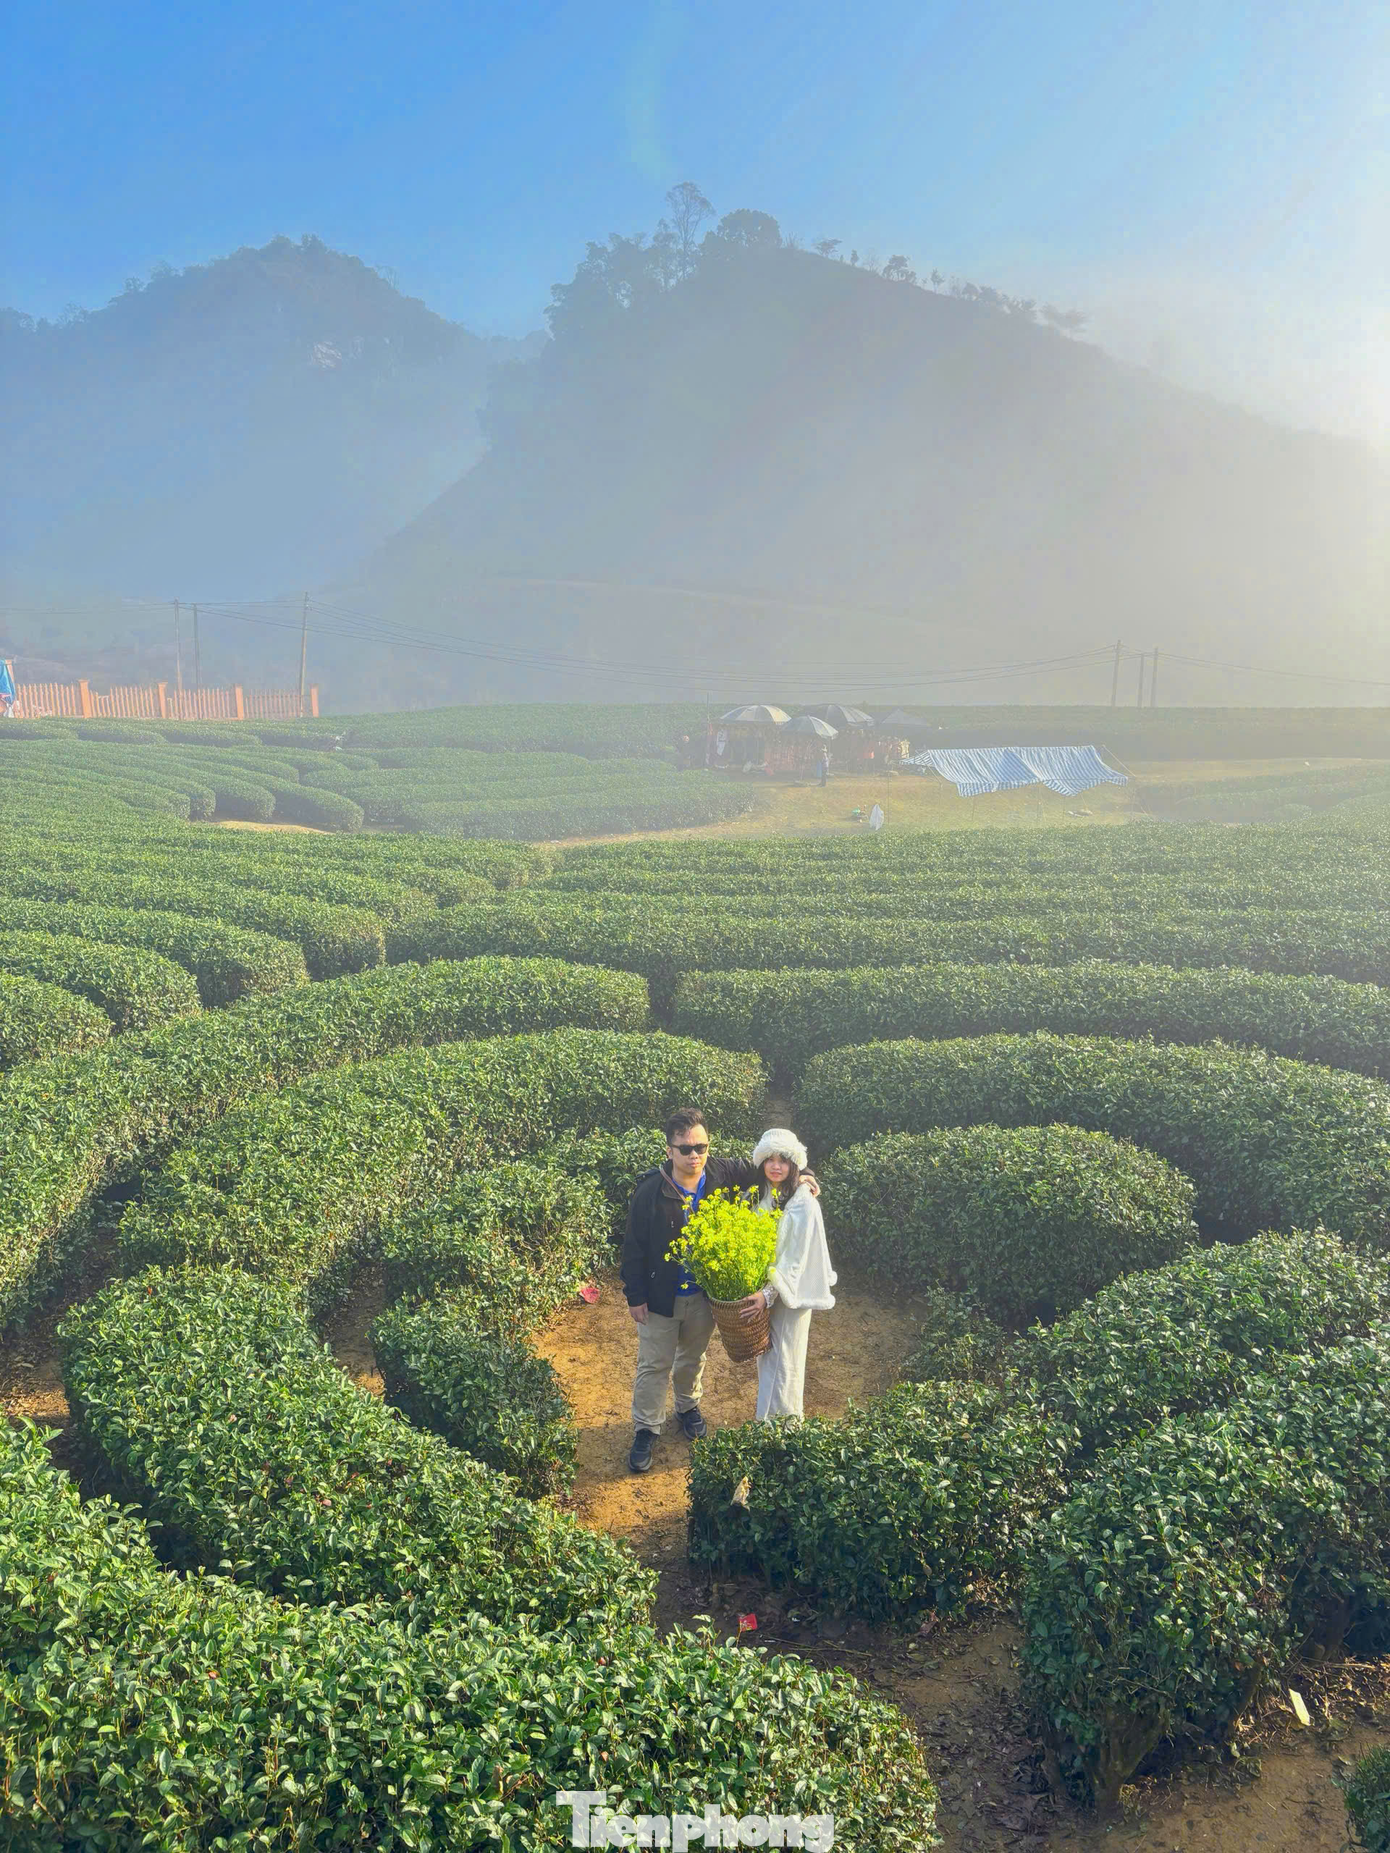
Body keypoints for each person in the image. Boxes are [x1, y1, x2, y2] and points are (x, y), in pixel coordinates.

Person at [620, 1106, 818, 1474]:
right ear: (669, 1151)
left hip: (702, 1295)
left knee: (693, 1356)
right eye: (685, 1149)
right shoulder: (650, 1190)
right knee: (654, 1362)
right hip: (660, 1294)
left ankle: (687, 1407)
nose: (694, 1155)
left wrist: (804, 1173)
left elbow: (768, 1165)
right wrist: (635, 1296)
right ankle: (647, 1428)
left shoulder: (720, 1171)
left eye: (701, 1147)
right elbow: (632, 1246)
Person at [737, 1129, 836, 1422]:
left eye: (783, 1160)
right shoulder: (757, 1195)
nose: (776, 1166)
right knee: (768, 1357)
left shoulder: (803, 1201)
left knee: (787, 1359)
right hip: (763, 1290)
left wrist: (768, 1293)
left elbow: (796, 1258)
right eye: (770, 1159)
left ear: (795, 1164)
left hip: (790, 1293)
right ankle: (767, 1421)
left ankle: (784, 1426)